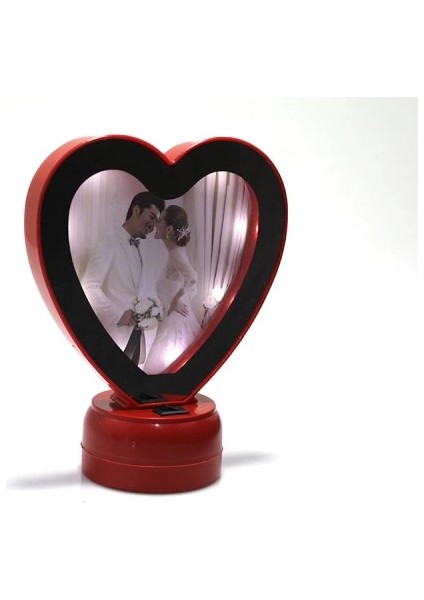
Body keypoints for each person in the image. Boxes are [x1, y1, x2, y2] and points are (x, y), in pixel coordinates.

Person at [81, 192, 165, 362]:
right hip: (113, 334)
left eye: (156, 221)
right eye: (151, 217)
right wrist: (118, 314)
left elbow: (139, 290)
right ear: (136, 210)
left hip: (136, 335)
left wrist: (154, 311)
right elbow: (89, 286)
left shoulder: (140, 249)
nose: (153, 225)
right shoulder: (109, 240)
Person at [143, 205, 201, 374]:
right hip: (171, 317)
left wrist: (177, 300)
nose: (155, 223)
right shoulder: (174, 252)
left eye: (159, 220)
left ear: (168, 229)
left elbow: (193, 277)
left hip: (175, 322)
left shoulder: (176, 253)